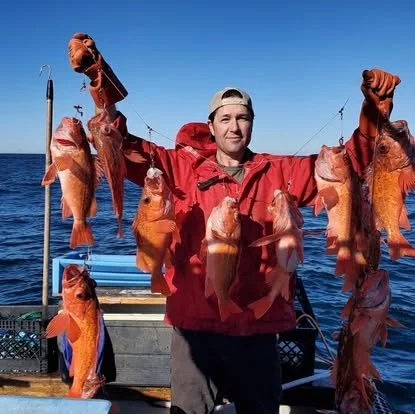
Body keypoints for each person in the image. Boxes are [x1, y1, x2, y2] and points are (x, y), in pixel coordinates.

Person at [68, 33, 400, 414]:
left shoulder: (281, 171)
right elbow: (120, 144)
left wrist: (375, 107)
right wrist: (98, 75)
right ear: (211, 126)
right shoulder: (178, 167)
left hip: (257, 331)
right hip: (194, 330)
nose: (234, 126)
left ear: (253, 124)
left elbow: (350, 166)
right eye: (225, 118)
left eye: (243, 117)